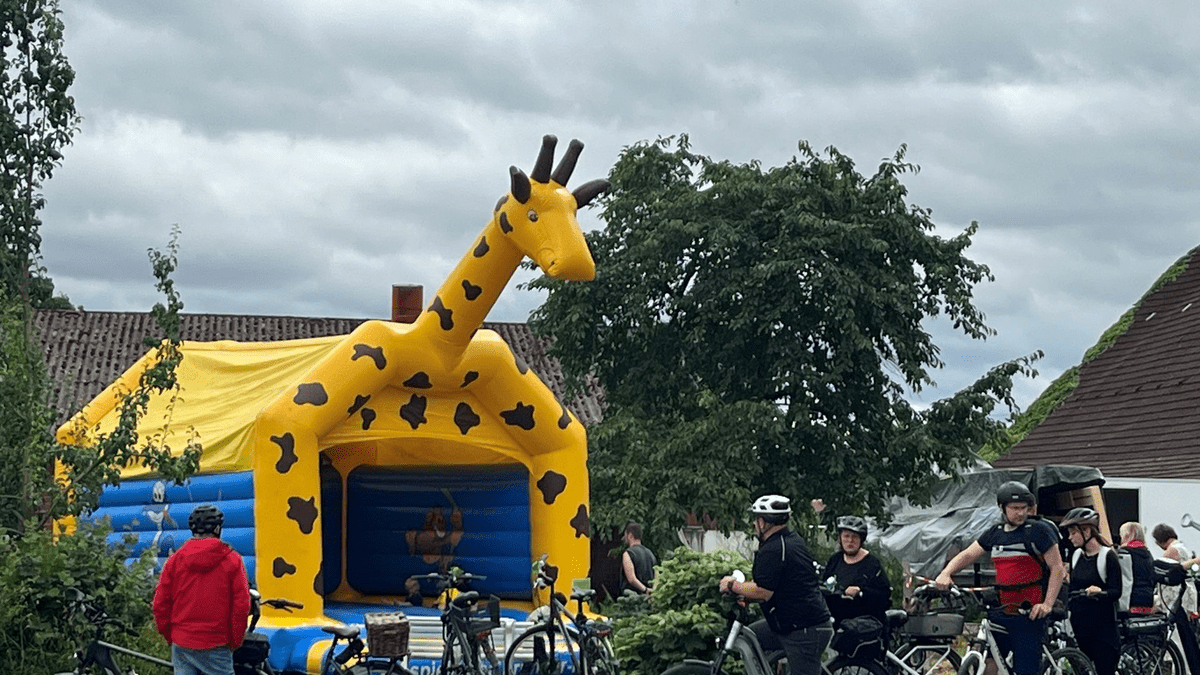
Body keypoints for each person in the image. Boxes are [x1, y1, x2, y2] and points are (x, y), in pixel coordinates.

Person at [934, 481, 1065, 675]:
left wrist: (1047, 604)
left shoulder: (1038, 531)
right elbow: (968, 555)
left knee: (1025, 669)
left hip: (1029, 611)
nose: (1020, 513)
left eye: (1023, 508)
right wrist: (946, 573)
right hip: (1002, 610)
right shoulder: (995, 533)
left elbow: (1057, 568)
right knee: (989, 663)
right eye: (1015, 508)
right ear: (1002, 508)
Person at [719, 495, 832, 675]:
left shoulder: (775, 549)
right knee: (751, 637)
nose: (755, 524)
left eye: (756, 520)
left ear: (763, 523)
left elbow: (763, 591)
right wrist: (746, 594)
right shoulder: (789, 540)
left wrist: (732, 585)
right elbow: (778, 585)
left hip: (805, 629)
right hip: (792, 622)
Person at [153, 504, 251, 675]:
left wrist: (171, 635)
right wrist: (235, 640)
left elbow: (160, 604)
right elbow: (241, 606)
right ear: (217, 529)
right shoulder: (232, 560)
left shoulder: (175, 561)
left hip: (182, 642)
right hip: (217, 643)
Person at [1061, 507, 1121, 675]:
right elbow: (1074, 587)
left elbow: (1116, 591)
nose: (1070, 537)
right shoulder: (1076, 556)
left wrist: (1100, 591)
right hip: (1080, 624)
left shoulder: (1107, 556)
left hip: (1102, 628)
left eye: (1073, 533)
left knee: (1104, 669)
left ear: (1087, 531)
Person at [821, 515, 891, 631]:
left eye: (855, 537)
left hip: (864, 627)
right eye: (846, 536)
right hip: (837, 624)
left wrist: (861, 592)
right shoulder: (835, 561)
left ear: (861, 540)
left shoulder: (872, 564)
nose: (850, 541)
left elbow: (884, 596)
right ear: (840, 538)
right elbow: (826, 587)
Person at [1118, 522, 1156, 615]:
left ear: (1126, 535)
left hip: (1130, 599)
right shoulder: (1148, 554)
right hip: (1148, 599)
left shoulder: (1124, 554)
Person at [620, 522, 657, 594]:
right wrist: (653, 591)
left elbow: (631, 579)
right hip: (649, 598)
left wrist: (645, 590)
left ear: (630, 536)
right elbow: (656, 577)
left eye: (625, 535)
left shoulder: (628, 553)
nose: (623, 538)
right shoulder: (650, 553)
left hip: (632, 596)